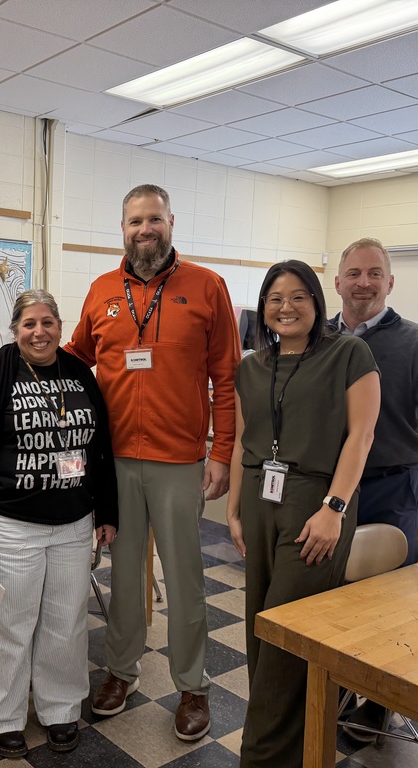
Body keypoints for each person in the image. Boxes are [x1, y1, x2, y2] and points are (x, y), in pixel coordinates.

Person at [66, 183, 241, 742]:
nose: (145, 230)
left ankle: (192, 684)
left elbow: (227, 381)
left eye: (155, 220)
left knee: (185, 578)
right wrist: (23, 360)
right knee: (123, 574)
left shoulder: (207, 288)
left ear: (171, 223)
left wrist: (222, 453)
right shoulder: (100, 291)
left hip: (179, 460)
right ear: (122, 228)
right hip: (114, 459)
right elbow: (75, 359)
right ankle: (121, 671)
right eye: (135, 221)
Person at [0, 290, 118, 758]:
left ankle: (61, 710)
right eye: (29, 324)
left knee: (66, 622)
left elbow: (98, 448)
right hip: (9, 523)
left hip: (72, 523)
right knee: (7, 622)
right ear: (15, 330)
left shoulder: (79, 373)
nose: (38, 332)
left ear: (60, 327)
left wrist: (107, 512)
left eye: (47, 322)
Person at [226, 260, 380, 767]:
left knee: (286, 642)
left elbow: (361, 436)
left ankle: (261, 757)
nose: (285, 307)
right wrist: (233, 507)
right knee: (259, 626)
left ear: (317, 301)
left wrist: (334, 508)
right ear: (263, 308)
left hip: (317, 504)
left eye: (297, 296)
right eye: (274, 298)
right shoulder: (251, 365)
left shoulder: (349, 354)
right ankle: (295, 747)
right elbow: (243, 439)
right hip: (258, 496)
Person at [330, 237, 418, 740]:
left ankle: (376, 700)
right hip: (328, 491)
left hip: (393, 489)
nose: (363, 282)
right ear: (338, 280)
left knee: (385, 603)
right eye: (354, 273)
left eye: (374, 274)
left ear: (389, 283)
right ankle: (337, 686)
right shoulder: (316, 337)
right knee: (329, 597)